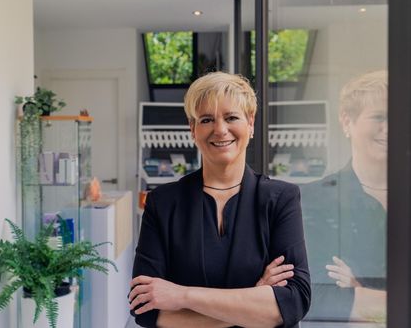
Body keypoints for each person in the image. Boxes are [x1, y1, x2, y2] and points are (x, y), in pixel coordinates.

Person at [129, 72, 311, 327]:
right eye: (206, 119)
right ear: (193, 129)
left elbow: (294, 302)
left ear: (250, 123)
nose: (220, 129)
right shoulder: (162, 203)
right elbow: (145, 310)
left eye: (231, 117)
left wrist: (182, 295)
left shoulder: (281, 199)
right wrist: (254, 297)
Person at [301, 70, 387, 322]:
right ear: (347, 121)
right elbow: (316, 297)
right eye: (379, 117)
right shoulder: (313, 200)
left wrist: (358, 289)